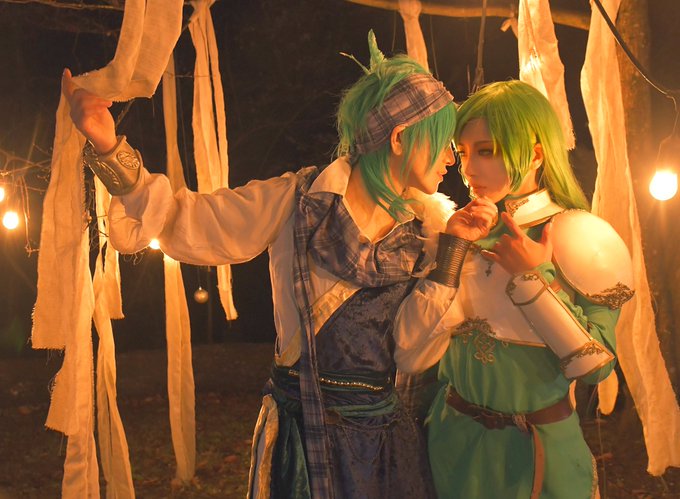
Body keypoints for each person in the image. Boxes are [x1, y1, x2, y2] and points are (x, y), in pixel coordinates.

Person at [61, 33, 497, 499]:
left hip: (382, 449)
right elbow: (188, 220)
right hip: (301, 444)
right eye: (442, 143)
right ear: (399, 138)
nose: (450, 159)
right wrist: (109, 146)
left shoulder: (428, 234)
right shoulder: (298, 201)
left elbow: (412, 355)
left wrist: (452, 254)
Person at [422, 80, 634, 498]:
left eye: (486, 150)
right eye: (463, 152)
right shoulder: (457, 229)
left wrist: (533, 279)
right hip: (451, 444)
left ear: (535, 153)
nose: (469, 168)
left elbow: (596, 368)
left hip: (537, 454)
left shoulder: (582, 236)